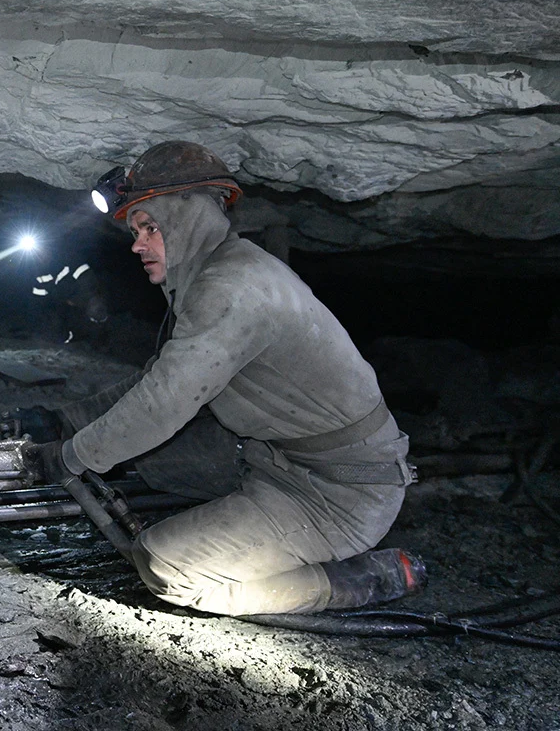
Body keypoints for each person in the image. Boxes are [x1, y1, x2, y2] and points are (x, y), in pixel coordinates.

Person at [21, 141, 425, 616]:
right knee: (149, 462)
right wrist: (67, 420)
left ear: (187, 219)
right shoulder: (218, 270)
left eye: (150, 228)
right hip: (272, 457)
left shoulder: (233, 288)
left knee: (164, 565)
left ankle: (346, 581)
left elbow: (162, 405)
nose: (137, 245)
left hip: (339, 493)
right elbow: (158, 380)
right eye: (135, 231)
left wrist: (70, 456)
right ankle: (250, 525)